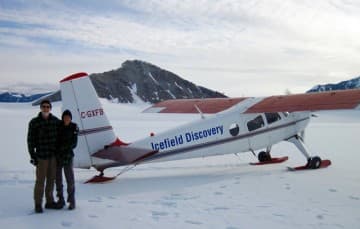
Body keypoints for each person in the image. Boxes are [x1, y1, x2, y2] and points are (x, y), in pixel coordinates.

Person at [27, 99, 61, 213]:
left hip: (52, 156)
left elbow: (64, 132)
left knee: (51, 180)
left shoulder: (55, 121)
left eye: (47, 106)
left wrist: (74, 129)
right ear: (41, 108)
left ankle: (49, 202)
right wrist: (33, 156)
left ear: (50, 108)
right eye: (43, 106)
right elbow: (30, 141)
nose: (45, 108)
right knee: (40, 181)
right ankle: (38, 204)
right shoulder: (34, 122)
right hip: (41, 156)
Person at [55, 110, 78, 210]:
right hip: (58, 157)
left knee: (70, 180)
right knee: (58, 179)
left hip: (68, 156)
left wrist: (62, 147)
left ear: (71, 118)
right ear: (62, 117)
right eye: (65, 117)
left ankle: (72, 201)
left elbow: (74, 143)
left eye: (68, 117)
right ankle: (61, 199)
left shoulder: (74, 127)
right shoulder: (58, 126)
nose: (66, 118)